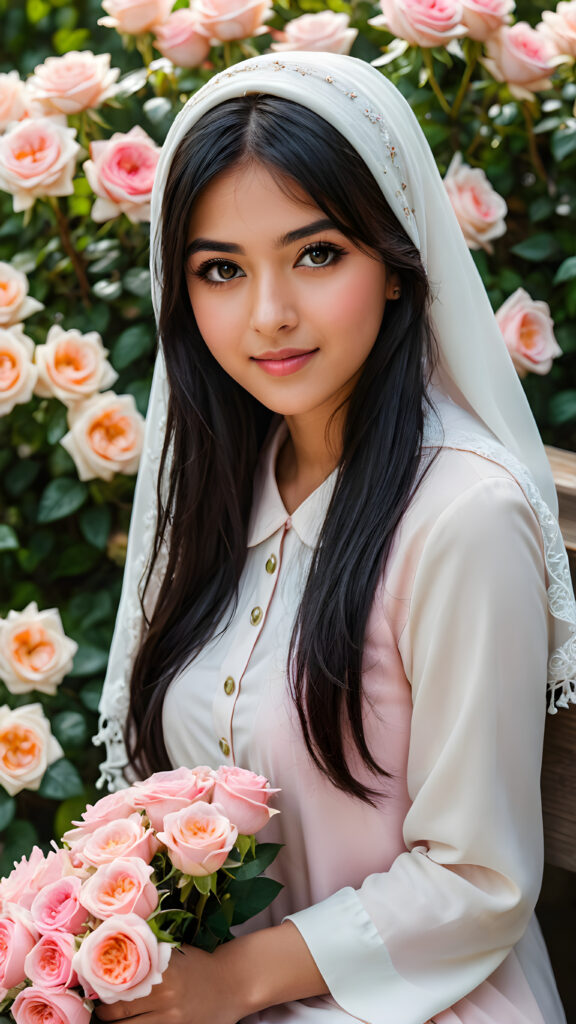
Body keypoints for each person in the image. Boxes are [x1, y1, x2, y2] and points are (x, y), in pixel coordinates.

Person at [95, 51, 576, 1024]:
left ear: (396, 266)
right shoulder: (226, 481)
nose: (268, 313)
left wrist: (234, 980)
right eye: (221, 270)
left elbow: (478, 877)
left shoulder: (462, 516)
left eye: (316, 254)